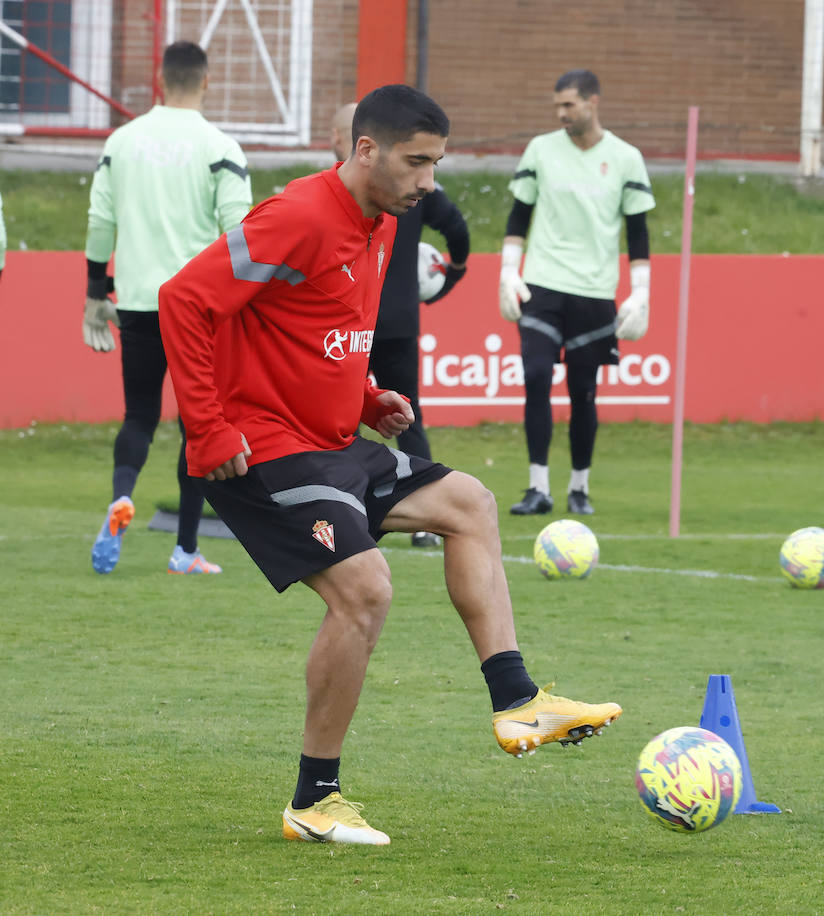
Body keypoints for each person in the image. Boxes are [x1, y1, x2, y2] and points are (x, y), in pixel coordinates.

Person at [159, 84, 621, 846]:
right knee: (366, 591)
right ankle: (315, 800)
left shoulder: (381, 222)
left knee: (469, 503)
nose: (428, 181)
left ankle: (517, 699)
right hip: (262, 447)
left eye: (435, 164)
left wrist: (367, 397)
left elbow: (313, 327)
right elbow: (185, 300)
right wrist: (207, 431)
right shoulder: (296, 217)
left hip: (330, 439)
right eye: (417, 162)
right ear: (365, 151)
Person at [82, 40, 252, 576]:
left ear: (159, 80)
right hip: (198, 308)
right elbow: (238, 231)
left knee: (138, 414)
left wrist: (94, 291)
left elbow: (100, 219)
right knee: (196, 427)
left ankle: (120, 497)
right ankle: (184, 549)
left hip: (135, 300)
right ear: (206, 82)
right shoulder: (219, 144)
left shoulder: (123, 140)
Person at [499, 69, 655, 516]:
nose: (562, 114)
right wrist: (509, 271)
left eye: (569, 105)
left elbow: (638, 232)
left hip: (594, 292)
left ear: (593, 102)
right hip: (543, 285)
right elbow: (518, 216)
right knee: (535, 377)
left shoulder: (626, 158)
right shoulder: (540, 150)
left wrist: (641, 291)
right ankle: (538, 487)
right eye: (557, 107)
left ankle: (579, 488)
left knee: (584, 391)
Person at [330, 101, 470, 549]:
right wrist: (456, 272)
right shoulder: (329, 201)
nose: (424, 180)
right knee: (404, 416)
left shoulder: (386, 193)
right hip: (395, 321)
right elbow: (458, 230)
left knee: (358, 417)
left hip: (355, 325)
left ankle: (345, 514)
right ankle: (424, 522)